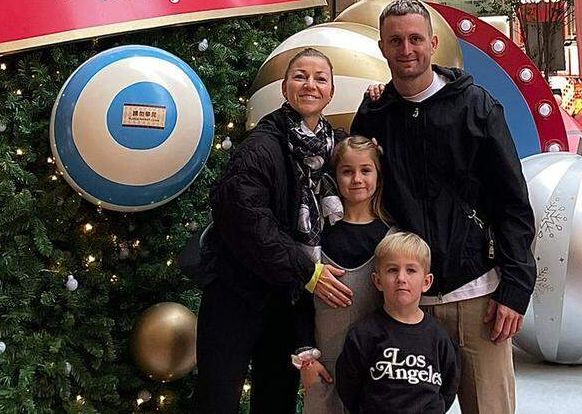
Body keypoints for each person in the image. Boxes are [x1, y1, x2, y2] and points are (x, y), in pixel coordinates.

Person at [351, 0, 535, 414]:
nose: (406, 49)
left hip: (477, 297)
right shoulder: (375, 112)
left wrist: (517, 286)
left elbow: (512, 202)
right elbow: (360, 196)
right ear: (382, 48)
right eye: (395, 41)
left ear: (433, 43)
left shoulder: (476, 106)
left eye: (416, 39)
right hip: (405, 301)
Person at [196, 48, 351, 413]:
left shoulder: (336, 148)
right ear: (284, 89)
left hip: (285, 300)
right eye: (300, 76)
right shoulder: (260, 147)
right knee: (218, 398)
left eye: (320, 78)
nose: (310, 85)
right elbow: (247, 220)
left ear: (331, 92)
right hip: (235, 295)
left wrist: (380, 99)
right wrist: (307, 271)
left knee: (277, 397)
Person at [295, 136, 393, 414]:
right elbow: (300, 301)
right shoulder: (315, 236)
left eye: (366, 170)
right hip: (324, 369)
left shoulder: (393, 238)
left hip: (377, 371)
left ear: (379, 174)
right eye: (347, 171)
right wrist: (306, 358)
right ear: (334, 176)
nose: (357, 179)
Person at [335, 232, 459, 414]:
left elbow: (449, 387)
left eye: (411, 270)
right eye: (392, 270)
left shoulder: (440, 337)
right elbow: (348, 386)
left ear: (427, 281)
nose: (401, 278)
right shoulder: (364, 334)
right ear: (377, 281)